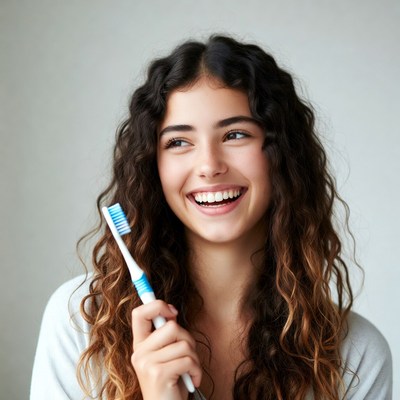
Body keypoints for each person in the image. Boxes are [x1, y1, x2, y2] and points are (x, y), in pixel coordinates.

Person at [30, 35, 392, 400]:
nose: (209, 166)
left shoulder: (355, 356)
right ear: (152, 166)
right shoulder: (81, 324)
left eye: (235, 134)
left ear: (282, 154)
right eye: (178, 142)